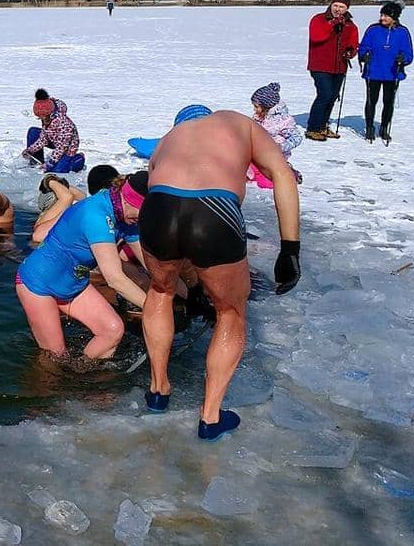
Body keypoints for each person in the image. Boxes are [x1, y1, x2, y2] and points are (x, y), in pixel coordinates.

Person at [139, 108, 300, 441]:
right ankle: (210, 417)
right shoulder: (240, 123)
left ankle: (158, 390)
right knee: (230, 312)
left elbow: (168, 202)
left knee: (160, 290)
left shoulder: (169, 140)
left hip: (158, 209)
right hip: (214, 208)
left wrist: (194, 283)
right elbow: (282, 174)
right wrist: (289, 249)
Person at [15, 173, 150, 360]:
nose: (143, 220)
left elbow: (150, 263)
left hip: (74, 286)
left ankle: (83, 376)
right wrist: (155, 309)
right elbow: (114, 278)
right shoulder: (97, 215)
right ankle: (47, 387)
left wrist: (178, 290)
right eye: (143, 213)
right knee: (55, 356)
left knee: (112, 331)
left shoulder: (126, 216)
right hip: (38, 285)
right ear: (129, 201)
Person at [305, 0, 359, 140]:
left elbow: (354, 44)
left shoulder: (350, 25)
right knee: (325, 94)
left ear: (347, 9)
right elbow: (317, 37)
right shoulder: (319, 19)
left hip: (339, 66)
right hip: (320, 65)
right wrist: (332, 24)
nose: (337, 9)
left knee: (333, 96)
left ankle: (323, 125)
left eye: (341, 7)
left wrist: (350, 52)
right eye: (335, 5)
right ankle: (313, 127)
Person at [358, 1, 413, 144]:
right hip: (373, 71)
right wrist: (364, 55)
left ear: (394, 17)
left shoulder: (402, 32)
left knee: (388, 102)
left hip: (392, 73)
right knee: (371, 101)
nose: (382, 18)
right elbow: (363, 46)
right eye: (382, 15)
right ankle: (369, 128)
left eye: (386, 16)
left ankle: (384, 128)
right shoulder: (373, 30)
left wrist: (403, 58)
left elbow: (408, 53)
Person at [248, 83, 303, 187]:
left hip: (274, 156)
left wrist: (280, 147)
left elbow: (297, 138)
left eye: (256, 107)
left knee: (266, 183)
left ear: (266, 106)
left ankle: (291, 174)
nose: (254, 110)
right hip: (257, 154)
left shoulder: (283, 121)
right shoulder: (258, 117)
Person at [24, 89, 85, 172]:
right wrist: (30, 150)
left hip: (67, 149)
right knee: (33, 132)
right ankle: (36, 162)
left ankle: (78, 159)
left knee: (58, 170)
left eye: (43, 117)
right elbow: (43, 139)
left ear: (51, 114)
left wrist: (49, 164)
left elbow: (61, 148)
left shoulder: (64, 124)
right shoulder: (47, 119)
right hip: (54, 140)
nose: (41, 119)